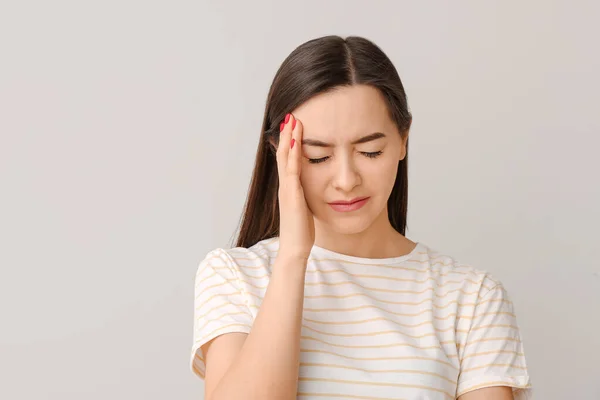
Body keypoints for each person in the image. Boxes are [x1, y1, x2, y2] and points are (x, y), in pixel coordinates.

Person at [189, 35, 533, 400]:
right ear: (280, 152)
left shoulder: (471, 297)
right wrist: (292, 258)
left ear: (403, 139)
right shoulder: (235, 276)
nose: (346, 180)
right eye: (318, 156)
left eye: (370, 151)